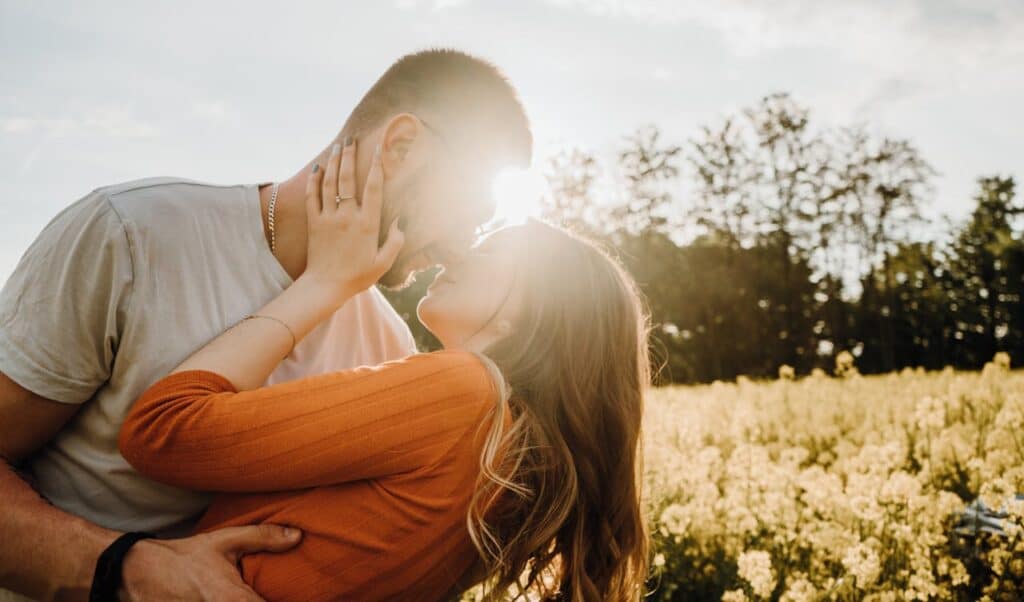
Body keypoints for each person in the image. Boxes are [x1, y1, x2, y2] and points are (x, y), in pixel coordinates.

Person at [0, 49, 531, 600]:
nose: (456, 250)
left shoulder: (385, 344)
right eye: (470, 213)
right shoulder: (133, 236)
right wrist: (125, 569)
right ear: (400, 147)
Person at [118, 136, 652, 600]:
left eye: (492, 252)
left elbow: (162, 430)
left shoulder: (466, 394)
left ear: (538, 311)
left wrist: (325, 282)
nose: (456, 257)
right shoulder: (515, 466)